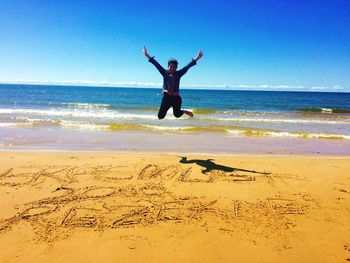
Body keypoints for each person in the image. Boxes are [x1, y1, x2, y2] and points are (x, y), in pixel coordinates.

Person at [142, 46, 203, 119]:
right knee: (160, 116)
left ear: (176, 67)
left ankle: (183, 111)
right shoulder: (164, 72)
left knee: (177, 115)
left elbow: (188, 66)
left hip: (176, 98)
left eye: (174, 67)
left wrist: (198, 57)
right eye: (171, 66)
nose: (172, 68)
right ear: (168, 66)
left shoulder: (179, 73)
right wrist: (146, 54)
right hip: (166, 98)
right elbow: (156, 64)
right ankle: (169, 107)